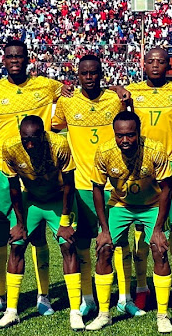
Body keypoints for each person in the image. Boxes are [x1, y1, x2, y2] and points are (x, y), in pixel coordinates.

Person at [0, 39, 64, 317]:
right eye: (10, 56)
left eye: (20, 56)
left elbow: (78, 94)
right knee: (1, 236)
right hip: (1, 171)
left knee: (37, 235)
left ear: (28, 59)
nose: (15, 60)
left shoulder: (47, 86)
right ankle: (1, 295)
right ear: (4, 60)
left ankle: (44, 295)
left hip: (36, 173)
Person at [51, 54, 132, 317]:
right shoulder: (67, 102)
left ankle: (124, 297)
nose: (89, 77)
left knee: (119, 241)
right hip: (83, 184)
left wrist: (119, 91)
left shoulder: (114, 100)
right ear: (77, 75)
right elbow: (53, 127)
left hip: (116, 183)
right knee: (83, 241)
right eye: (84, 73)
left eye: (94, 73)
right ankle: (88, 298)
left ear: (101, 74)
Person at [0, 116, 84, 331]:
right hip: (31, 200)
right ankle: (11, 312)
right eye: (26, 139)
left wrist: (64, 221)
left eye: (35, 139)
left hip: (58, 198)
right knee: (16, 246)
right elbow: (14, 187)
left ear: (43, 134)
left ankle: (75, 311)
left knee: (68, 245)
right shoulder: (11, 147)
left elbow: (70, 184)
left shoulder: (59, 145)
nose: (30, 144)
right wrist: (20, 223)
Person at [88, 111, 172, 333]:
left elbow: (167, 188)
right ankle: (104, 314)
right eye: (120, 135)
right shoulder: (105, 152)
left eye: (130, 135)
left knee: (159, 249)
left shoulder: (155, 150)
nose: (124, 140)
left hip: (152, 205)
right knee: (104, 248)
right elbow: (97, 189)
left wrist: (157, 229)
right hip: (121, 205)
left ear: (139, 132)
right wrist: (104, 230)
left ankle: (163, 315)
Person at [124, 47, 172, 313]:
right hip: (141, 168)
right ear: (143, 63)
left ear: (169, 66)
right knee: (141, 230)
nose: (155, 65)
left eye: (160, 61)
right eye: (150, 61)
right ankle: (142, 288)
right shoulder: (132, 91)